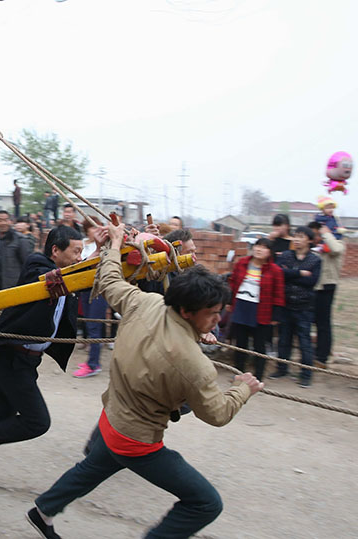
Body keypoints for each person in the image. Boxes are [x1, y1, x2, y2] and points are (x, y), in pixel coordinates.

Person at [26, 220, 263, 539]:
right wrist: (242, 390)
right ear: (188, 311)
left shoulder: (144, 303)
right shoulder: (195, 364)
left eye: (219, 312)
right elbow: (217, 413)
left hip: (113, 417)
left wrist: (114, 243)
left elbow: (109, 277)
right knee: (206, 503)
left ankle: (43, 510)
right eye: (212, 313)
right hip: (136, 438)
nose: (217, 320)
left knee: (95, 466)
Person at [0, 225, 84, 494]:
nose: (80, 257)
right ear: (55, 251)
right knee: (37, 421)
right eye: (76, 251)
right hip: (11, 354)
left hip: (28, 360)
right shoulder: (38, 266)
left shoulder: (72, 277)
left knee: (0, 414)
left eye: (83, 252)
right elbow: (47, 278)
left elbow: (90, 278)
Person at [269, 226, 321, 387]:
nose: (297, 240)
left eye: (301, 237)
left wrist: (290, 274)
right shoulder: (286, 255)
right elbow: (278, 274)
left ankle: (306, 374)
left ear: (309, 240)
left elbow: (312, 282)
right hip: (285, 304)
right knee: (284, 339)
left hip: (304, 307)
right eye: (295, 236)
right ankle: (281, 368)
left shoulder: (315, 260)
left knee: (304, 341)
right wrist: (299, 273)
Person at [227, 238, 285, 381]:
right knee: (240, 344)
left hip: (262, 310)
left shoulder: (275, 270)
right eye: (257, 246)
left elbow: (278, 294)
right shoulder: (242, 263)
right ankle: (238, 373)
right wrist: (228, 302)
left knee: (260, 345)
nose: (259, 249)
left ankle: (258, 377)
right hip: (241, 307)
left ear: (270, 252)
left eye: (264, 247)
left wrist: (275, 315)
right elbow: (233, 283)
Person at [0, 210, 32, 329]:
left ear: (10, 221)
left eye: (5, 220)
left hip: (11, 286)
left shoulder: (20, 240)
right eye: (0, 220)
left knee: (10, 321)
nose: (3, 223)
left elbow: (27, 264)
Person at [74, 220, 109, 378]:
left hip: (98, 290)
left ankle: (93, 365)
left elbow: (89, 264)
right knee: (89, 326)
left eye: (98, 226)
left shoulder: (106, 247)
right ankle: (91, 361)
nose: (96, 230)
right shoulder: (83, 244)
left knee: (95, 328)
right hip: (85, 289)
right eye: (92, 227)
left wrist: (100, 247)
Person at [307, 221, 345, 367]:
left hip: (327, 286)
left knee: (323, 323)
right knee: (311, 321)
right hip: (313, 287)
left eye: (316, 233)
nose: (314, 237)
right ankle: (316, 352)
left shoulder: (337, 243)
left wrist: (326, 233)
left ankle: (322, 358)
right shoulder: (314, 248)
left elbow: (335, 249)